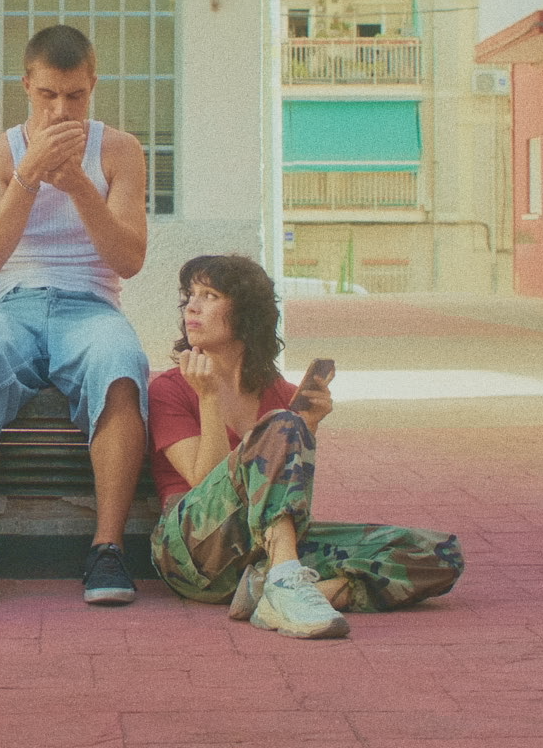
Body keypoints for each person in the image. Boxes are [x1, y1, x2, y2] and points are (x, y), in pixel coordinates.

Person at [0, 23, 151, 607]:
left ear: (92, 87)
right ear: (26, 85)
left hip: (91, 305)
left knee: (123, 361)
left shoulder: (120, 150)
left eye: (75, 96)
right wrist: (29, 175)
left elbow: (129, 259)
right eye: (48, 95)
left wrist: (80, 184)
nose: (61, 109)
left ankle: (107, 548)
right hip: (17, 305)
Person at [148, 254, 464, 638]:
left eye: (210, 295)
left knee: (439, 555)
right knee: (283, 423)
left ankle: (283, 593)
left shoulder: (278, 392)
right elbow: (202, 480)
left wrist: (308, 428)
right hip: (192, 552)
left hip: (258, 555)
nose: (192, 307)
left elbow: (288, 498)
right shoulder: (169, 388)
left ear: (247, 314)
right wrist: (209, 399)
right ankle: (284, 582)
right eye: (190, 296)